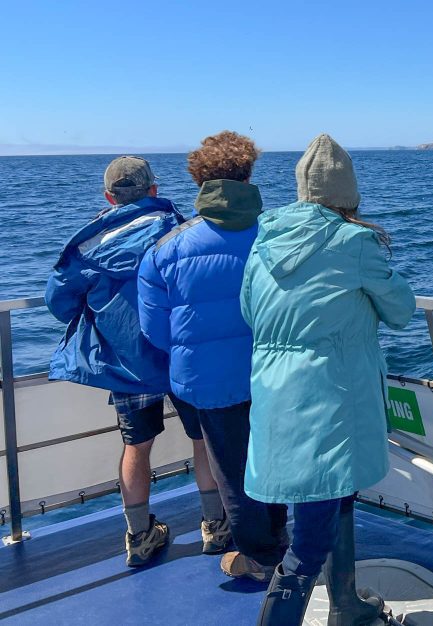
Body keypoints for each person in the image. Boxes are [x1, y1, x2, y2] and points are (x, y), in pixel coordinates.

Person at [241, 134, 416, 625]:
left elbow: (249, 312)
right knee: (310, 542)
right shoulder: (354, 241)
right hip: (331, 401)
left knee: (331, 501)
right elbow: (401, 309)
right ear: (349, 195)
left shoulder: (265, 240)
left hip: (276, 393)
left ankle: (346, 604)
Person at [45, 156, 227, 567]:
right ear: (153, 191)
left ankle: (139, 536)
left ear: (109, 196)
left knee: (136, 446)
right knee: (203, 440)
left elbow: (58, 301)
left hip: (126, 364)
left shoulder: (88, 243)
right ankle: (215, 528)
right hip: (179, 357)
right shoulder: (179, 229)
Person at [138, 132, 287, 582]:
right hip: (273, 374)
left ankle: (260, 558)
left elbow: (155, 330)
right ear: (248, 174)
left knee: (233, 473)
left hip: (205, 381)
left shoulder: (166, 247)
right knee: (274, 460)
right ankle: (281, 542)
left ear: (198, 180)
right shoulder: (277, 236)